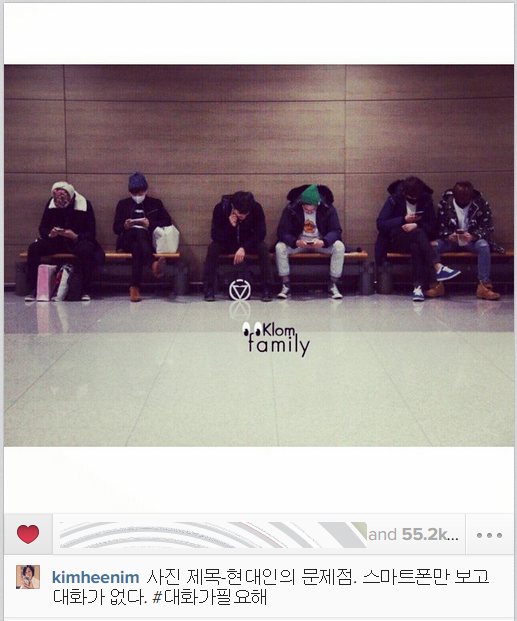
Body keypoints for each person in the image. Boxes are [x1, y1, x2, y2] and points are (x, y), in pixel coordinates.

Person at [376, 177, 461, 301]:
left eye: (416, 198)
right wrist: (403, 220)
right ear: (404, 193)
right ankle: (437, 266)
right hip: (397, 240)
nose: (414, 200)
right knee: (418, 234)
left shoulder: (426, 200)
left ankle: (418, 288)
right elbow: (381, 224)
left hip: (420, 241)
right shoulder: (394, 200)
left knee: (416, 245)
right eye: (411, 197)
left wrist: (417, 224)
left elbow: (433, 226)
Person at [25, 182, 105, 302]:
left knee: (86, 250)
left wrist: (75, 236)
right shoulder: (51, 204)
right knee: (34, 248)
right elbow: (43, 227)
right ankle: (34, 288)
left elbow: (91, 233)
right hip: (56, 241)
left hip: (77, 242)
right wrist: (50, 234)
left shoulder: (84, 205)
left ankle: (85, 289)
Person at [275, 184, 344, 299]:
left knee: (339, 246)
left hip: (320, 242)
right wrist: (295, 242)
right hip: (299, 243)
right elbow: (281, 232)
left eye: (313, 210)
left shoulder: (328, 208)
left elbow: (336, 230)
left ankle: (333, 284)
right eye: (306, 210)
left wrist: (324, 241)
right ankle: (285, 284)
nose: (310, 212)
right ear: (301, 204)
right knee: (280, 247)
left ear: (318, 204)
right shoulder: (291, 209)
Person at [435, 182, 502, 300]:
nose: (463, 203)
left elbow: (488, 227)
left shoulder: (481, 204)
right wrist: (448, 236)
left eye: (466, 200)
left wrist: (473, 236)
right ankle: (436, 284)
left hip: (472, 240)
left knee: (483, 246)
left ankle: (484, 285)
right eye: (460, 200)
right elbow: (438, 226)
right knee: (433, 246)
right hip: (451, 240)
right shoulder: (445, 203)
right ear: (454, 196)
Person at [113, 172, 173, 302]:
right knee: (137, 232)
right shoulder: (123, 204)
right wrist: (125, 226)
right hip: (126, 240)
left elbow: (167, 221)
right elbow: (115, 228)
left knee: (137, 247)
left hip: (145, 241)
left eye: (140, 193)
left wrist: (150, 224)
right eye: (134, 193)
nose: (137, 196)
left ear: (146, 190)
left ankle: (134, 288)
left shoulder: (155, 203)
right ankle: (153, 264)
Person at [203, 191, 273, 302]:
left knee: (263, 248)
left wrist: (244, 248)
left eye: (245, 215)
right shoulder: (221, 208)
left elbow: (261, 233)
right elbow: (215, 235)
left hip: (248, 244)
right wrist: (230, 226)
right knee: (213, 248)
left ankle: (267, 288)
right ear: (233, 207)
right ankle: (209, 288)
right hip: (228, 243)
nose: (243, 217)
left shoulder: (256, 208)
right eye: (240, 214)